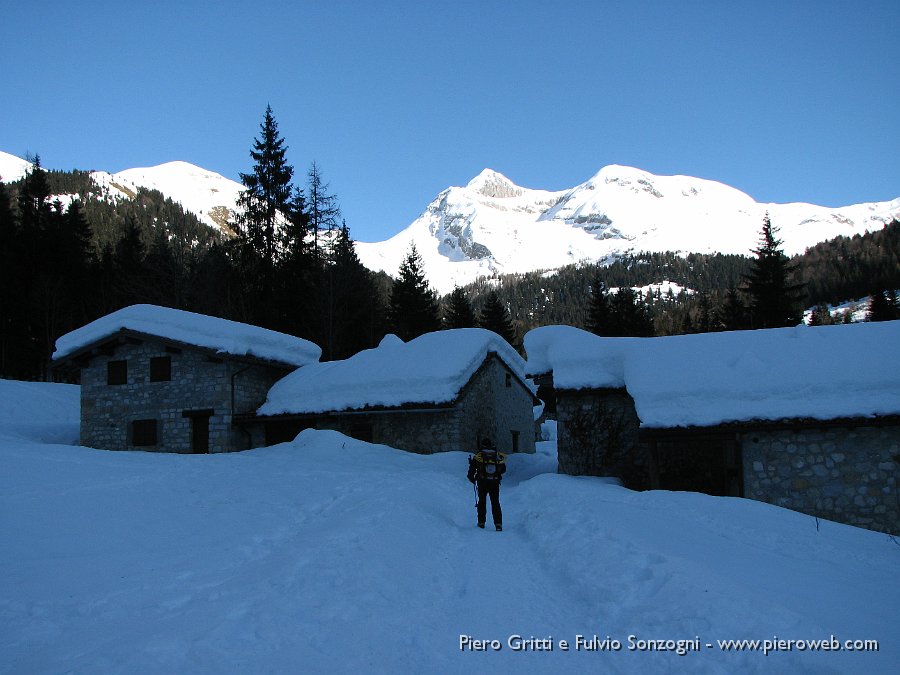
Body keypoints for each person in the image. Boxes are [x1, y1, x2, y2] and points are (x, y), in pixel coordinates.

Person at [467, 438, 506, 531]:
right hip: (495, 482)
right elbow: (503, 469)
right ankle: (498, 524)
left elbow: (471, 471)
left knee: (482, 502)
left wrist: (472, 478)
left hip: (482, 481)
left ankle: (481, 523)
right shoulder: (497, 455)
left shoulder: (479, 455)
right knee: (495, 502)